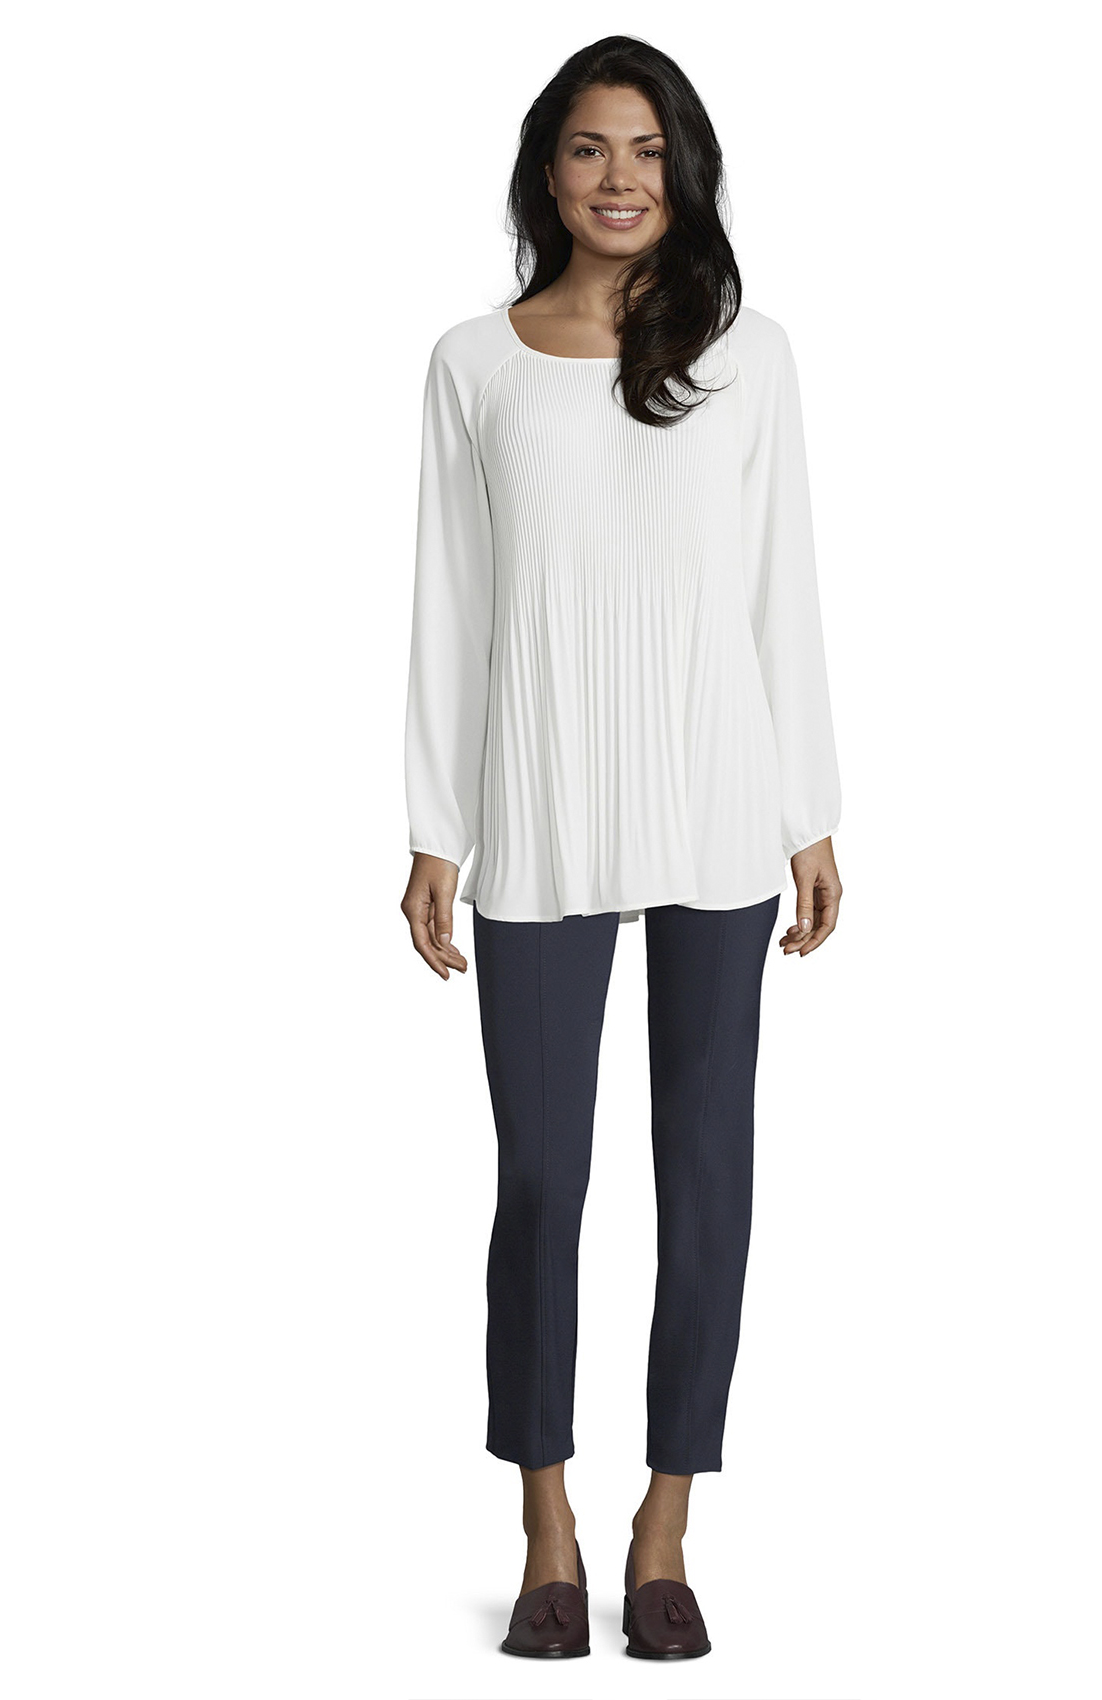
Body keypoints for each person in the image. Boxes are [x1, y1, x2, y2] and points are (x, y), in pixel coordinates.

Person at [401, 35, 842, 1661]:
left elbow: (782, 584)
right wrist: (435, 828)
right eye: (590, 149)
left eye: (647, 150)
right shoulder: (474, 362)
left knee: (705, 1169)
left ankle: (667, 1519)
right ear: (547, 170)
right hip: (540, 796)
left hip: (718, 797)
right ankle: (546, 1519)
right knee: (543, 1174)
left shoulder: (749, 354)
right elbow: (452, 605)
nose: (619, 179)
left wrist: (809, 807)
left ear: (685, 170)